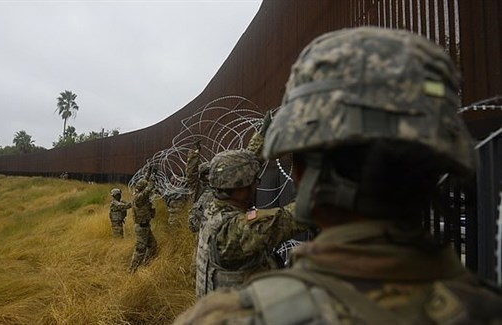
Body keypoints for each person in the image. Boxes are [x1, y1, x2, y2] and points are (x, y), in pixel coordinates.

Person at [174, 27, 502, 324]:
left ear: (303, 176)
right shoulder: (483, 308)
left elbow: (249, 178)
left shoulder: (228, 315)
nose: (257, 182)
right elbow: (262, 197)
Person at [195, 149, 309, 298]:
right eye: (255, 181)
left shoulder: (211, 210)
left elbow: (234, 168)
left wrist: (262, 136)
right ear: (241, 187)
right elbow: (289, 218)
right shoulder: (233, 232)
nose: (256, 186)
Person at [128, 169, 158, 273]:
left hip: (145, 227)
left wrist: (149, 172)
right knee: (140, 250)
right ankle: (132, 270)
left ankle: (146, 264)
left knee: (153, 246)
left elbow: (143, 182)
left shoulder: (138, 192)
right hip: (141, 227)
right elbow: (148, 189)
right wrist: (153, 180)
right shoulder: (139, 198)